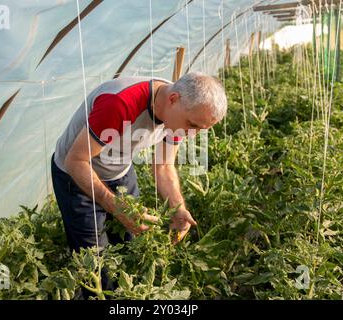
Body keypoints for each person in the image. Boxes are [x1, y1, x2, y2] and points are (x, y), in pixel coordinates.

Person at [50, 72, 227, 292]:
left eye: (200, 129)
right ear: (173, 99)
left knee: (132, 248)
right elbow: (76, 161)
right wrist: (117, 208)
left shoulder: (180, 113)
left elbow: (163, 165)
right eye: (192, 125)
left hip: (119, 170)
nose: (192, 135)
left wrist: (177, 207)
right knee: (96, 265)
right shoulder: (120, 103)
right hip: (75, 174)